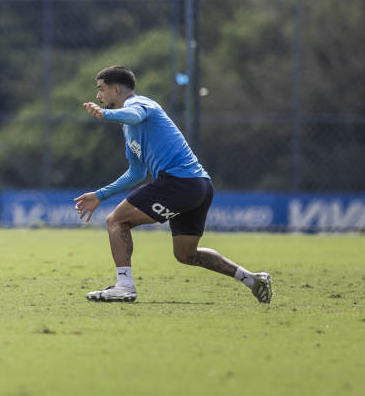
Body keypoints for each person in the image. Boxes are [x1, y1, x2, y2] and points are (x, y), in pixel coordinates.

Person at [73, 65, 272, 304]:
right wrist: (101, 195)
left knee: (116, 220)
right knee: (186, 254)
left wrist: (105, 115)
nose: (98, 96)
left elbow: (135, 115)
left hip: (180, 182)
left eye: (101, 90)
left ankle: (124, 286)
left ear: (116, 89)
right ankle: (253, 279)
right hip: (198, 186)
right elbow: (137, 173)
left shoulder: (140, 104)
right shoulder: (128, 129)